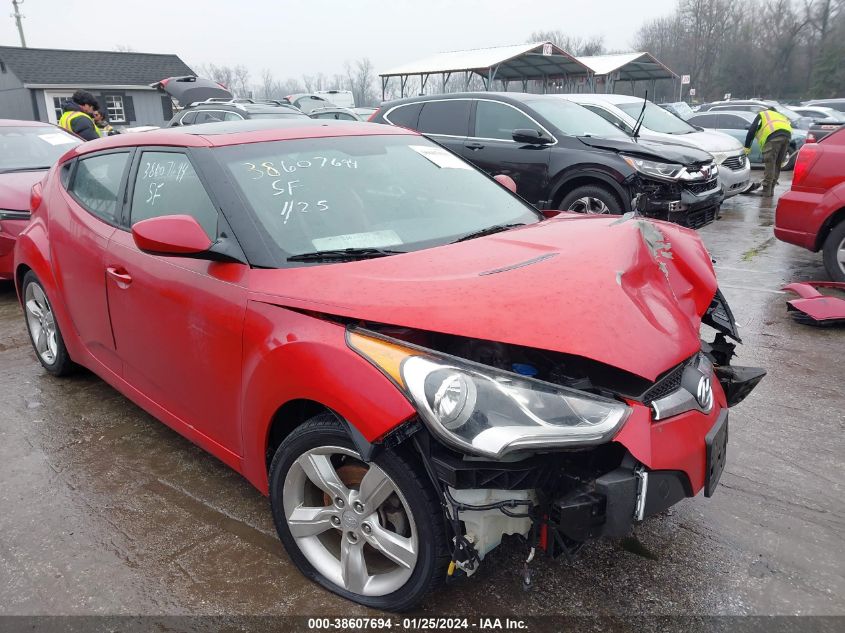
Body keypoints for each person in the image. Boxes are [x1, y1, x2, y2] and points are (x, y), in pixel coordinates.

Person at [742, 106, 792, 197]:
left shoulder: (763, 114)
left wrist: (747, 148)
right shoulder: (781, 116)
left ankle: (766, 190)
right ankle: (771, 189)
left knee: (770, 163)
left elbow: (752, 131)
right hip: (787, 137)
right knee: (777, 164)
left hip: (774, 137)